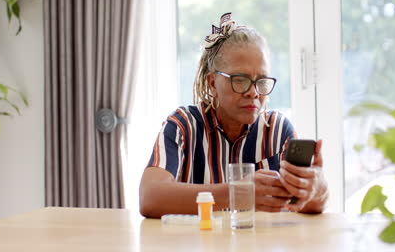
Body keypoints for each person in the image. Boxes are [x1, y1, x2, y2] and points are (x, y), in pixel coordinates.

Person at [140, 13, 328, 218]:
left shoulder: (278, 130)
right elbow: (150, 197)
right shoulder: (183, 126)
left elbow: (308, 205)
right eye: (240, 79)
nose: (253, 92)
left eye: (261, 80)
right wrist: (238, 193)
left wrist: (314, 188)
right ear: (212, 83)